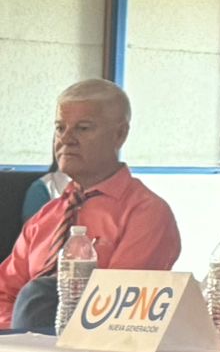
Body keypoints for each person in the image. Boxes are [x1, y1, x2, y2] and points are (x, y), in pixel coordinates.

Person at [0, 79, 181, 331]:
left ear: (120, 135)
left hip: (97, 348)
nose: (66, 139)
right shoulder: (46, 217)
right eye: (60, 128)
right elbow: (4, 294)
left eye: (83, 128)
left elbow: (117, 309)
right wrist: (25, 334)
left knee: (40, 293)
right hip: (26, 348)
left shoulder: (146, 214)